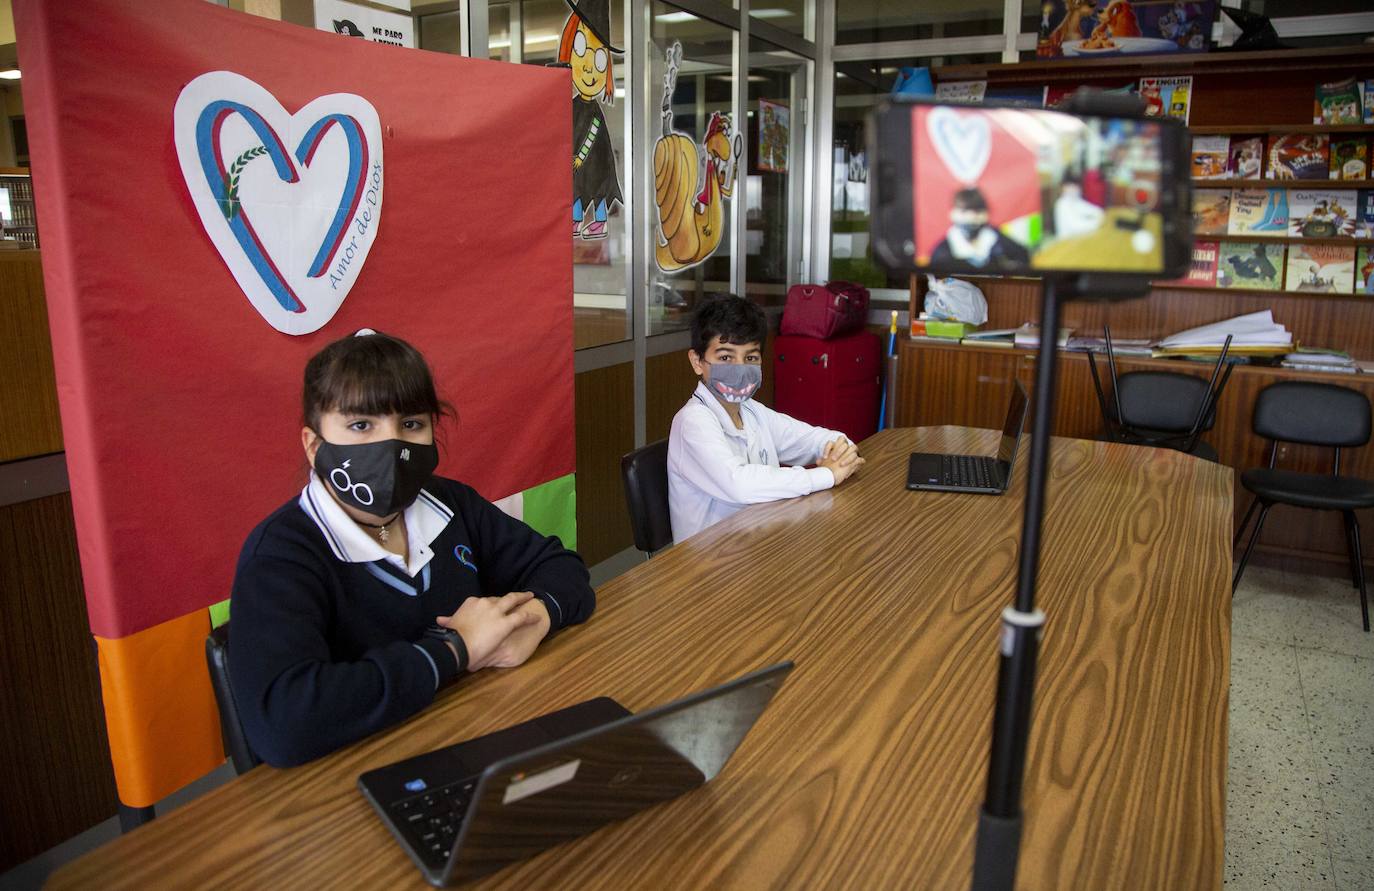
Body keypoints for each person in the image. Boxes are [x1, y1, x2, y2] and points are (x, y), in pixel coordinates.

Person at [228, 330, 594, 767]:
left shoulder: (449, 503)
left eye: (412, 424)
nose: (391, 444)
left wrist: (538, 617)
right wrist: (456, 649)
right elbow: (284, 725)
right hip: (352, 780)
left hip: (475, 739)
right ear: (313, 445)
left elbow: (561, 568)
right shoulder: (281, 555)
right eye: (361, 425)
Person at [667, 294, 863, 543]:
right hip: (708, 564)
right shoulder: (692, 422)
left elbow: (813, 438)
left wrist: (838, 447)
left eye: (750, 358)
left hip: (758, 543)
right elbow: (740, 485)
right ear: (697, 361)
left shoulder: (751, 410)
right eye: (726, 357)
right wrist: (827, 475)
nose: (739, 368)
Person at [929, 187, 1031, 273]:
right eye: (964, 211)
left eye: (977, 211)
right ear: (952, 214)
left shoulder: (1001, 243)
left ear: (986, 214)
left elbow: (1024, 259)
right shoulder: (942, 251)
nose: (971, 217)